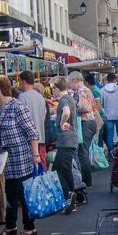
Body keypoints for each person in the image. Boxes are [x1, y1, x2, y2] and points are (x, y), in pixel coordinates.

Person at [0, 76, 42, 235]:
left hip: (21, 157)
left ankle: (29, 227)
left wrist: (36, 154)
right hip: (6, 159)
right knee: (10, 192)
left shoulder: (17, 107)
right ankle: (10, 225)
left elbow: (32, 132)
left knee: (23, 193)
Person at [50, 76, 79, 213]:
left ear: (56, 88)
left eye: (52, 89)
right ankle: (70, 196)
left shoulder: (64, 100)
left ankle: (70, 194)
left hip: (66, 140)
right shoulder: (69, 98)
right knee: (61, 168)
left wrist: (62, 123)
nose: (51, 93)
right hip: (67, 140)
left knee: (61, 169)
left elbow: (66, 112)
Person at [68, 71, 97, 194]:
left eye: (70, 82)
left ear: (74, 80)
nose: (70, 85)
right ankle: (86, 180)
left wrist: (71, 106)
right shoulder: (83, 90)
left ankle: (87, 181)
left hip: (86, 123)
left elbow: (84, 108)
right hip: (88, 123)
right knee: (82, 151)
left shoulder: (82, 91)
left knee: (82, 152)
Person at [17, 71, 49, 152]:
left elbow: (21, 119)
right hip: (40, 138)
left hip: (28, 140)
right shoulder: (41, 97)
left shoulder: (22, 97)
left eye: (19, 81)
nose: (18, 84)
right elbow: (44, 116)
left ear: (23, 81)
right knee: (40, 163)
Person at [100, 73, 118, 153]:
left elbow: (101, 104)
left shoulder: (102, 90)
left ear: (107, 80)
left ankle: (111, 153)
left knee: (109, 135)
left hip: (108, 116)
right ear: (115, 80)